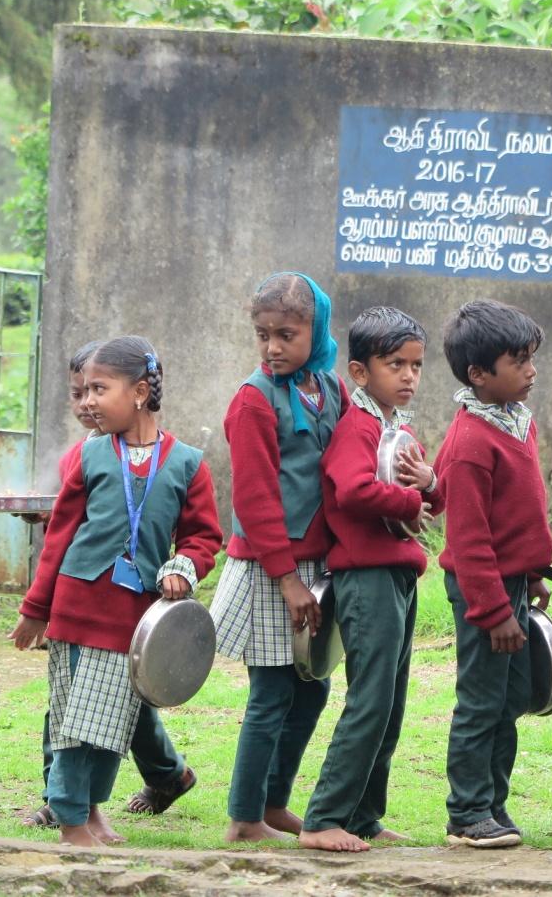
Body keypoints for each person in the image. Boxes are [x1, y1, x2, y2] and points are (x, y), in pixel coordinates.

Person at [11, 336, 221, 847]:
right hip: (77, 608)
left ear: (141, 391)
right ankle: (69, 819)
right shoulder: (90, 457)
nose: (87, 402)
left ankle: (92, 811)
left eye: (98, 390)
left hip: (136, 618)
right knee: (72, 725)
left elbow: (203, 536)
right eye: (81, 392)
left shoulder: (189, 463)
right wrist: (36, 608)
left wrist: (183, 566)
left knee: (109, 725)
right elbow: (59, 535)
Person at [209, 271, 347, 843]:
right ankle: (245, 818)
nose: (272, 347)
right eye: (262, 334)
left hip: (318, 566)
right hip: (273, 569)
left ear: (315, 331)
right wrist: (288, 579)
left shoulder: (329, 388)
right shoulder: (252, 400)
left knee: (312, 687)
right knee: (271, 692)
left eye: (286, 334)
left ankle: (274, 801)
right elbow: (255, 498)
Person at [300, 306, 444, 852]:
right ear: (360, 373)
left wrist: (430, 483)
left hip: (399, 575)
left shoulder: (396, 428)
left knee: (393, 700)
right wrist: (413, 499)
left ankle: (364, 813)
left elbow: (431, 497)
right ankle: (323, 818)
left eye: (416, 365)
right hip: (366, 577)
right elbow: (354, 491)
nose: (409, 376)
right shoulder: (356, 427)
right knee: (371, 699)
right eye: (395, 365)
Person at [433, 299, 552, 849]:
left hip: (512, 586)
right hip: (483, 591)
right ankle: (466, 813)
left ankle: (493, 805)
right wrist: (494, 611)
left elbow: (518, 517)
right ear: (479, 374)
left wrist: (530, 578)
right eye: (518, 361)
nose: (531, 370)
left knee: (510, 701)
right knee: (481, 701)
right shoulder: (470, 443)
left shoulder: (514, 420)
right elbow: (470, 539)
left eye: (531, 358)